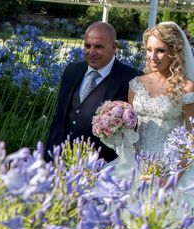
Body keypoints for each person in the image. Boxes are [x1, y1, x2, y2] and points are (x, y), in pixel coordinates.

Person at [45, 22, 139, 162]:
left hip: (102, 166)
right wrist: (47, 157)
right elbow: (58, 119)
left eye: (98, 47)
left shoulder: (131, 78)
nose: (91, 52)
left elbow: (135, 129)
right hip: (59, 160)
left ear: (114, 47)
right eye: (87, 46)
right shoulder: (72, 70)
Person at [127, 22, 194, 157]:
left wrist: (172, 176)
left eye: (160, 51)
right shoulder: (136, 84)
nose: (153, 57)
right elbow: (129, 128)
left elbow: (191, 138)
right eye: (149, 49)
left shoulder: (186, 87)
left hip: (171, 164)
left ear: (174, 52)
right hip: (135, 161)